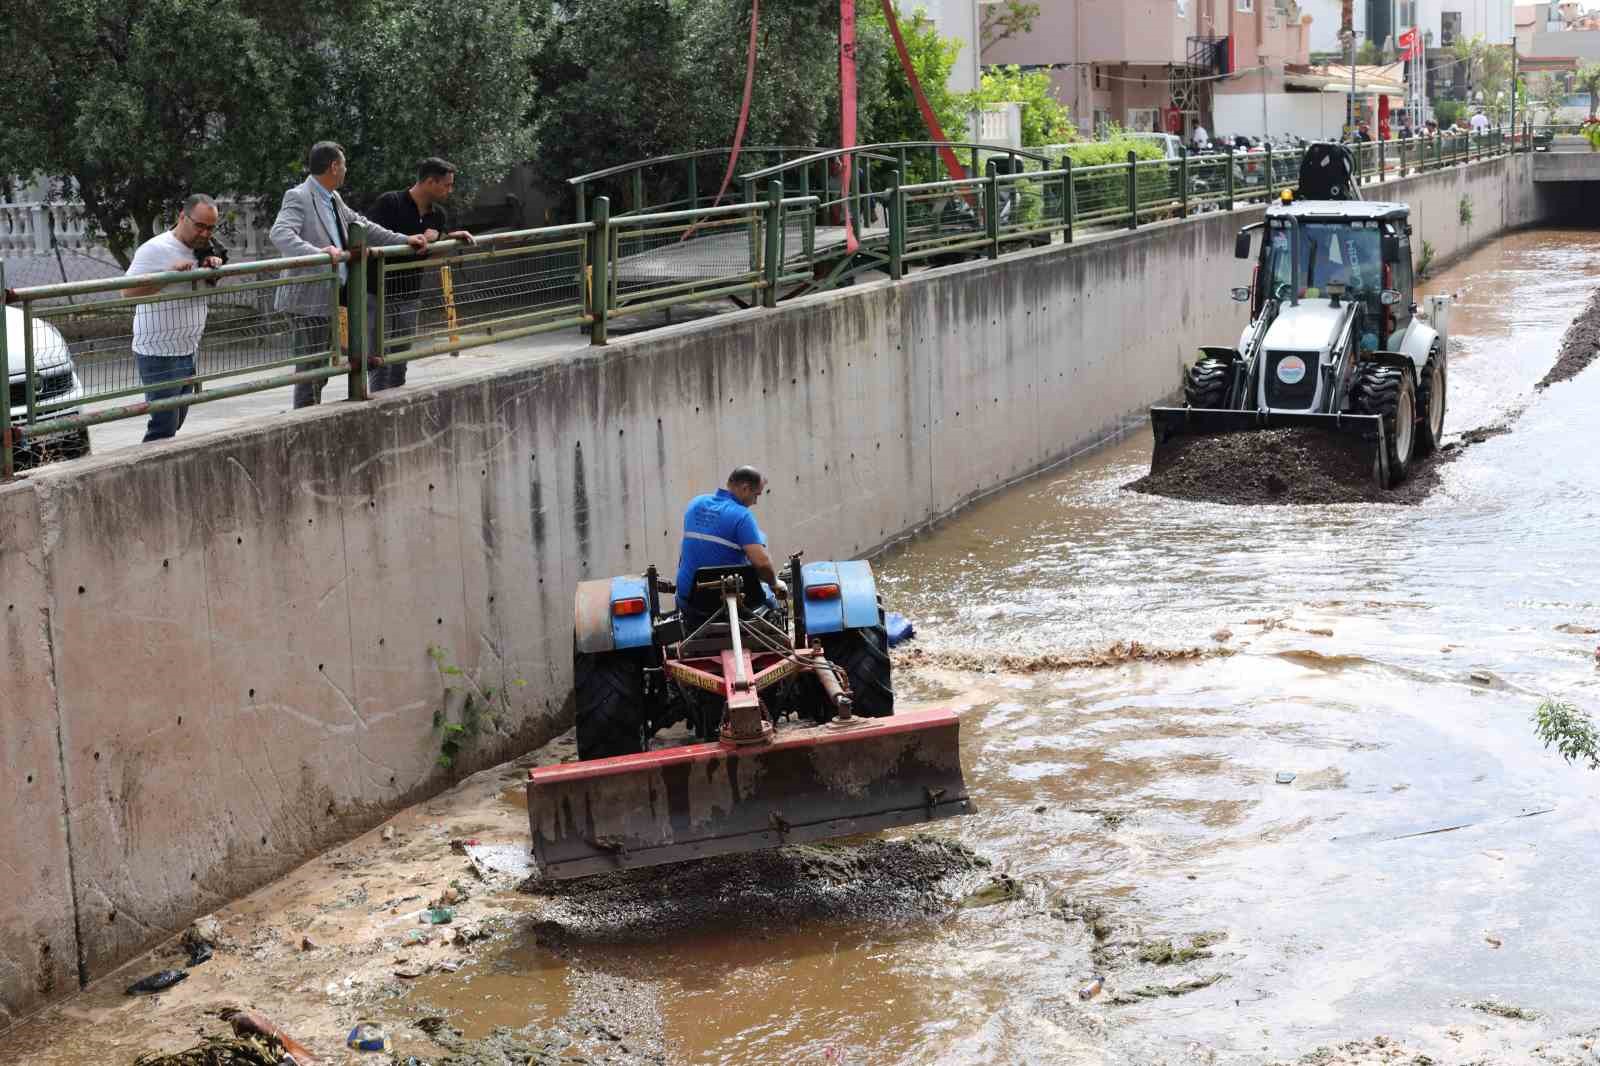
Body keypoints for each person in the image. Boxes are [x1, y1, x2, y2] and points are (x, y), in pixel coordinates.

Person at [269, 141, 425, 408]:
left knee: (321, 368)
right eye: (344, 165)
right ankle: (305, 420)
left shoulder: (333, 198)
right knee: (311, 368)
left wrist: (404, 239)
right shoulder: (298, 196)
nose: (345, 171)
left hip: (329, 297)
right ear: (333, 166)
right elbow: (280, 234)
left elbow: (362, 225)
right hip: (306, 299)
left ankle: (310, 415)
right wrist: (320, 252)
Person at [365, 157, 475, 392]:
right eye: (446, 185)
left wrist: (448, 239)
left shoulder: (439, 215)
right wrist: (414, 240)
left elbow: (433, 253)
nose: (450, 190)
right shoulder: (389, 203)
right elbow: (368, 237)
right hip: (377, 293)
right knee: (378, 361)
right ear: (429, 182)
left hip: (409, 294)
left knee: (400, 360)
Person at [121, 193, 225, 442]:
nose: (204, 233)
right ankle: (146, 475)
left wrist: (213, 268)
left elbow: (205, 286)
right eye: (199, 226)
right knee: (163, 427)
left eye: (210, 228)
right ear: (182, 217)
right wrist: (167, 276)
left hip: (188, 347)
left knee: (175, 421)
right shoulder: (155, 249)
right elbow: (127, 293)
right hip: (158, 352)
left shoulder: (206, 249)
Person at [675, 466, 787, 631]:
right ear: (745, 489)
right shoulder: (742, 516)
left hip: (690, 601)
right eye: (756, 495)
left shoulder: (695, 504)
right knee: (770, 596)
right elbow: (762, 565)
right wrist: (775, 583)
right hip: (728, 605)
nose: (755, 501)